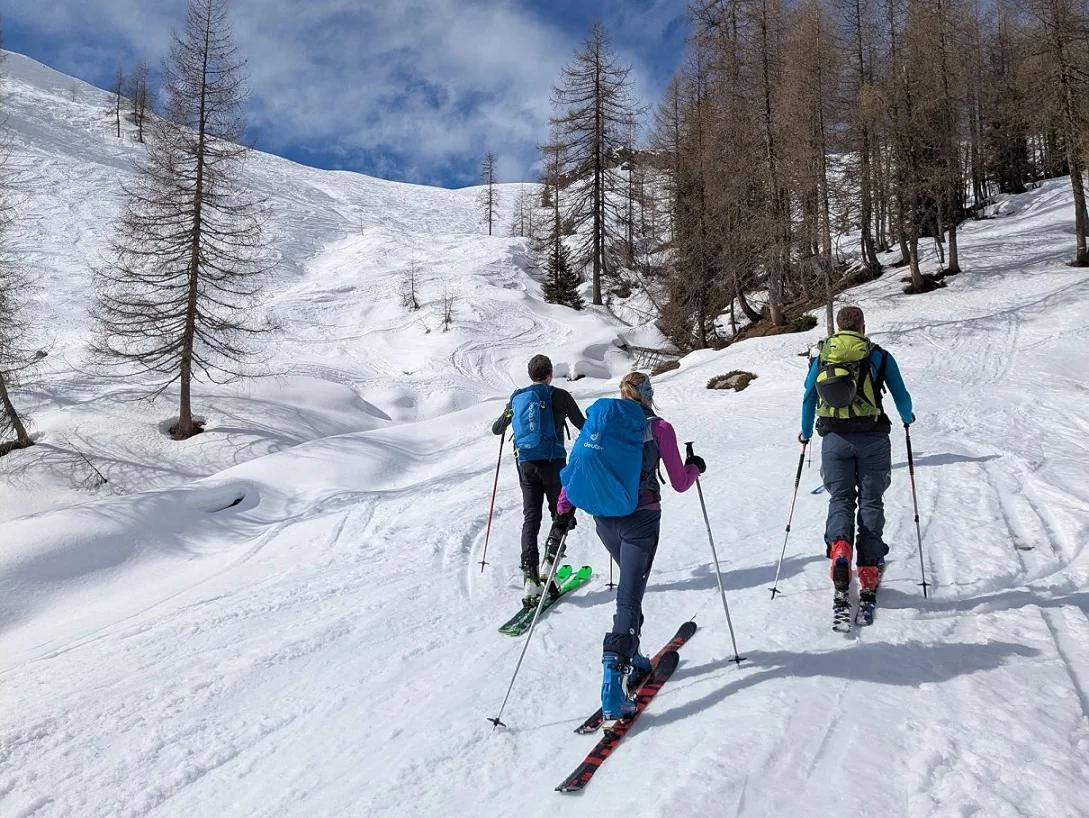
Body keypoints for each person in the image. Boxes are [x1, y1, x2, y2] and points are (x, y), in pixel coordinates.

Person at [554, 371, 703, 725]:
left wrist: (563, 512)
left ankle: (633, 655)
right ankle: (612, 687)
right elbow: (680, 483)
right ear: (649, 394)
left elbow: (576, 467)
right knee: (629, 596)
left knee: (630, 588)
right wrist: (695, 467)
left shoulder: (601, 424)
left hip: (605, 519)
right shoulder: (659, 429)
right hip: (642, 520)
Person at [800, 305, 913, 612]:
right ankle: (868, 569)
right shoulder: (878, 355)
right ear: (863, 326)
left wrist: (805, 433)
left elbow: (809, 396)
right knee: (872, 502)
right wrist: (907, 418)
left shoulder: (823, 355)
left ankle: (839, 551)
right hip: (873, 438)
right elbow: (901, 396)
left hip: (834, 439)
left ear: (837, 328)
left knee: (840, 500)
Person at [492, 354, 585, 607]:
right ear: (550, 373)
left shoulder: (518, 397)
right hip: (554, 464)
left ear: (530, 374)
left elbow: (497, 429)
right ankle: (549, 561)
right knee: (562, 514)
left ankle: (531, 576)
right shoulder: (560, 395)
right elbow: (583, 426)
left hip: (526, 465)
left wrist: (510, 412)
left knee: (531, 518)